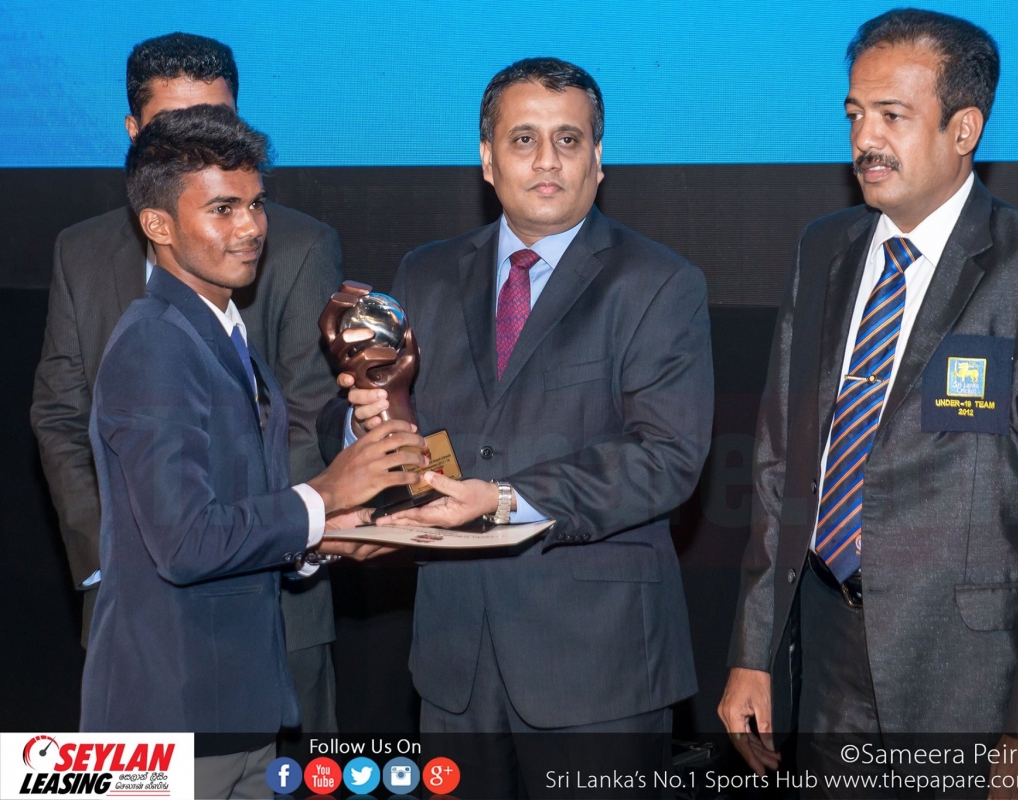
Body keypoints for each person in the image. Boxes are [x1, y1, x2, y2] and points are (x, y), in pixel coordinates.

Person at [719, 8, 1018, 792]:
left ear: (963, 129)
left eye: (892, 116)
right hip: (826, 655)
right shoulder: (822, 249)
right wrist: (754, 652)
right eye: (855, 115)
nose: (865, 139)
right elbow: (780, 465)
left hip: (971, 676)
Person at [319, 57, 713, 796]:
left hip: (599, 667)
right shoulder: (425, 273)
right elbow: (410, 434)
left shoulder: (658, 282)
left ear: (598, 159)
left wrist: (503, 498)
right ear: (487, 159)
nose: (547, 160)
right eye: (524, 139)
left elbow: (666, 458)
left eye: (569, 140)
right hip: (454, 658)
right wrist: (369, 425)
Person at [81, 104, 424, 799]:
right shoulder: (154, 343)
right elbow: (185, 543)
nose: (251, 228)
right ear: (158, 225)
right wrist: (325, 494)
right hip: (167, 717)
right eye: (223, 209)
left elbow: (237, 514)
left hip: (236, 707)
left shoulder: (222, 332)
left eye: (256, 204)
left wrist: (323, 538)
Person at [29, 33, 343, 738]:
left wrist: (287, 536)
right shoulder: (81, 251)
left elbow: (307, 415)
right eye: (177, 126)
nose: (204, 141)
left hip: (277, 605)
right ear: (133, 132)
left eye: (219, 122)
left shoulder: (296, 245)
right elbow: (61, 416)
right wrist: (119, 561)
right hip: (138, 627)